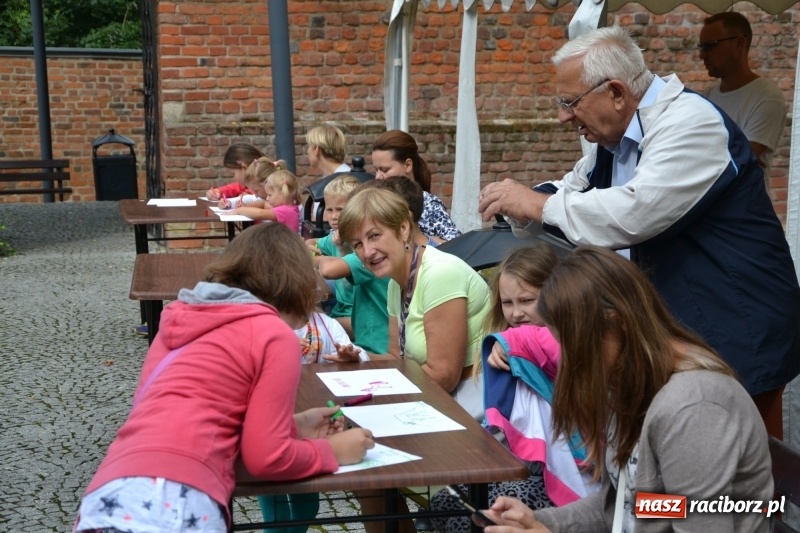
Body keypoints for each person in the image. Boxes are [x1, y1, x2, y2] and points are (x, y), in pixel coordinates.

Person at [477, 25, 800, 440]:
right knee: (671, 462)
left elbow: (635, 212)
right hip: (677, 333)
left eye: (570, 102)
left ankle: (749, 511)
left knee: (735, 470)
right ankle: (646, 508)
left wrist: (536, 204)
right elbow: (573, 189)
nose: (563, 116)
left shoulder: (691, 123)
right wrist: (520, 201)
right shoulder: (615, 138)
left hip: (733, 323)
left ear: (615, 92)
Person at [73, 223, 374, 533]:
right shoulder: (273, 335)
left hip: (110, 490)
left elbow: (193, 418)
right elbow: (267, 459)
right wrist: (334, 451)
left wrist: (293, 426)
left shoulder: (178, 320)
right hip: (179, 505)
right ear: (296, 282)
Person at [480, 246, 772, 533]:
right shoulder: (629, 384)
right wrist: (544, 523)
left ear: (615, 321)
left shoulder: (693, 408)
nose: (567, 361)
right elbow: (622, 505)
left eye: (572, 345)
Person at [430, 244, 584, 533]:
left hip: (559, 476)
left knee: (494, 512)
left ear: (557, 296)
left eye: (527, 300)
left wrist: (513, 344)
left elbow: (550, 349)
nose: (516, 313)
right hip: (515, 466)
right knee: (444, 503)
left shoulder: (568, 344)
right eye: (507, 302)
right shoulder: (502, 344)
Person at [256, 308, 364, 533]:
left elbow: (360, 357)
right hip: (266, 424)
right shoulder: (259, 324)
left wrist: (352, 359)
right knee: (275, 514)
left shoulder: (324, 325)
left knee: (307, 506)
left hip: (311, 425)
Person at [699, 11, 786, 172]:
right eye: (701, 47)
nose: (701, 55)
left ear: (739, 43)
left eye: (710, 46)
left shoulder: (767, 97)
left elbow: (741, 164)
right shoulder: (705, 99)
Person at [372, 130, 461, 242]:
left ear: (408, 165)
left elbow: (458, 245)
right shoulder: (376, 201)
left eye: (384, 170)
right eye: (376, 170)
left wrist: (424, 241)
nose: (378, 177)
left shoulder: (429, 205)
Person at [306, 174, 363, 337]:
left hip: (358, 315)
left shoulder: (363, 242)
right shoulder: (334, 237)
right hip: (338, 308)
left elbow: (330, 270)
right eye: (329, 210)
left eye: (340, 209)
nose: (334, 216)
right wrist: (310, 248)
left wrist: (316, 259)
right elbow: (311, 242)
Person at [232, 163, 303, 234]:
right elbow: (263, 204)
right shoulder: (289, 207)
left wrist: (239, 210)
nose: (267, 198)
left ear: (283, 193)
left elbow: (260, 214)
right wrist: (246, 207)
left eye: (270, 195)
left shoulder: (285, 210)